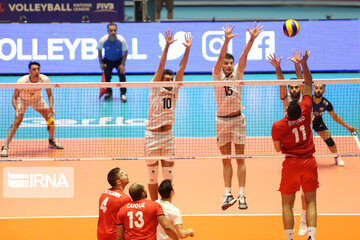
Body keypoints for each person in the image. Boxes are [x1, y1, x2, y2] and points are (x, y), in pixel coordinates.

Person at [212, 22, 263, 210]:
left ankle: (242, 194)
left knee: (240, 158)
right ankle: (227, 194)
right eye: (225, 62)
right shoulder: (216, 76)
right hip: (222, 121)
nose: (228, 65)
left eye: (230, 63)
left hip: (238, 120)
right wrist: (226, 40)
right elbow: (219, 59)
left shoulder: (238, 74)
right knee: (225, 160)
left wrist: (252, 38)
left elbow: (244, 55)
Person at [272, 50, 318, 240]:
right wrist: (282, 68)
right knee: (310, 198)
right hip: (306, 154)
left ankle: (302, 223)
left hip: (291, 153)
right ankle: (311, 234)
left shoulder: (279, 125)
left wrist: (297, 65)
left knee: (289, 201)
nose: (292, 89)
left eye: (295, 87)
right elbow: (306, 83)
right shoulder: (305, 106)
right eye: (290, 88)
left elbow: (302, 82)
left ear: (297, 89)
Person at [145, 30, 193, 201]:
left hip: (168, 136)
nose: (169, 81)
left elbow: (182, 68)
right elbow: (160, 67)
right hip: (152, 135)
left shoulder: (175, 89)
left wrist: (187, 49)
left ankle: (167, 205)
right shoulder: (156, 87)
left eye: (170, 79)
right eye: (165, 79)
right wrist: (166, 46)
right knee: (152, 175)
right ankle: (153, 206)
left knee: (168, 176)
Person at [1, 62, 63, 158]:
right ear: (29, 71)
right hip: (23, 100)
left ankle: (52, 140)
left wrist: (51, 106)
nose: (36, 71)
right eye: (34, 69)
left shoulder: (44, 79)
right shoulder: (22, 81)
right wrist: (17, 108)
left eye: (38, 69)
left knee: (51, 120)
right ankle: (5, 147)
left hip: (37, 100)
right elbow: (14, 97)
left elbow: (49, 94)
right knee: (16, 123)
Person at [312, 83, 359, 165]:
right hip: (305, 123)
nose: (318, 90)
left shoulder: (326, 103)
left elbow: (335, 117)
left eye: (320, 88)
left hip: (317, 122)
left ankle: (337, 157)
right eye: (316, 88)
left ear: (324, 91)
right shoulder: (307, 99)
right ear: (313, 90)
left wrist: (348, 127)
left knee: (329, 140)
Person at [97, 167, 131, 240]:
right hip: (114, 236)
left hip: (101, 235)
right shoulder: (124, 198)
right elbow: (128, 223)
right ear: (118, 182)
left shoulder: (104, 193)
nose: (126, 174)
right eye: (122, 174)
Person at [98, 23, 128, 102]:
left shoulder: (121, 40)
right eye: (111, 30)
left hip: (119, 60)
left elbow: (125, 52)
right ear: (108, 31)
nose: (113, 32)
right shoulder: (103, 40)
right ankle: (108, 92)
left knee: (122, 76)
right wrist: (101, 63)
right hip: (108, 60)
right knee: (107, 77)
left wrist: (122, 64)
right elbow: (99, 51)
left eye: (114, 30)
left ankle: (123, 94)